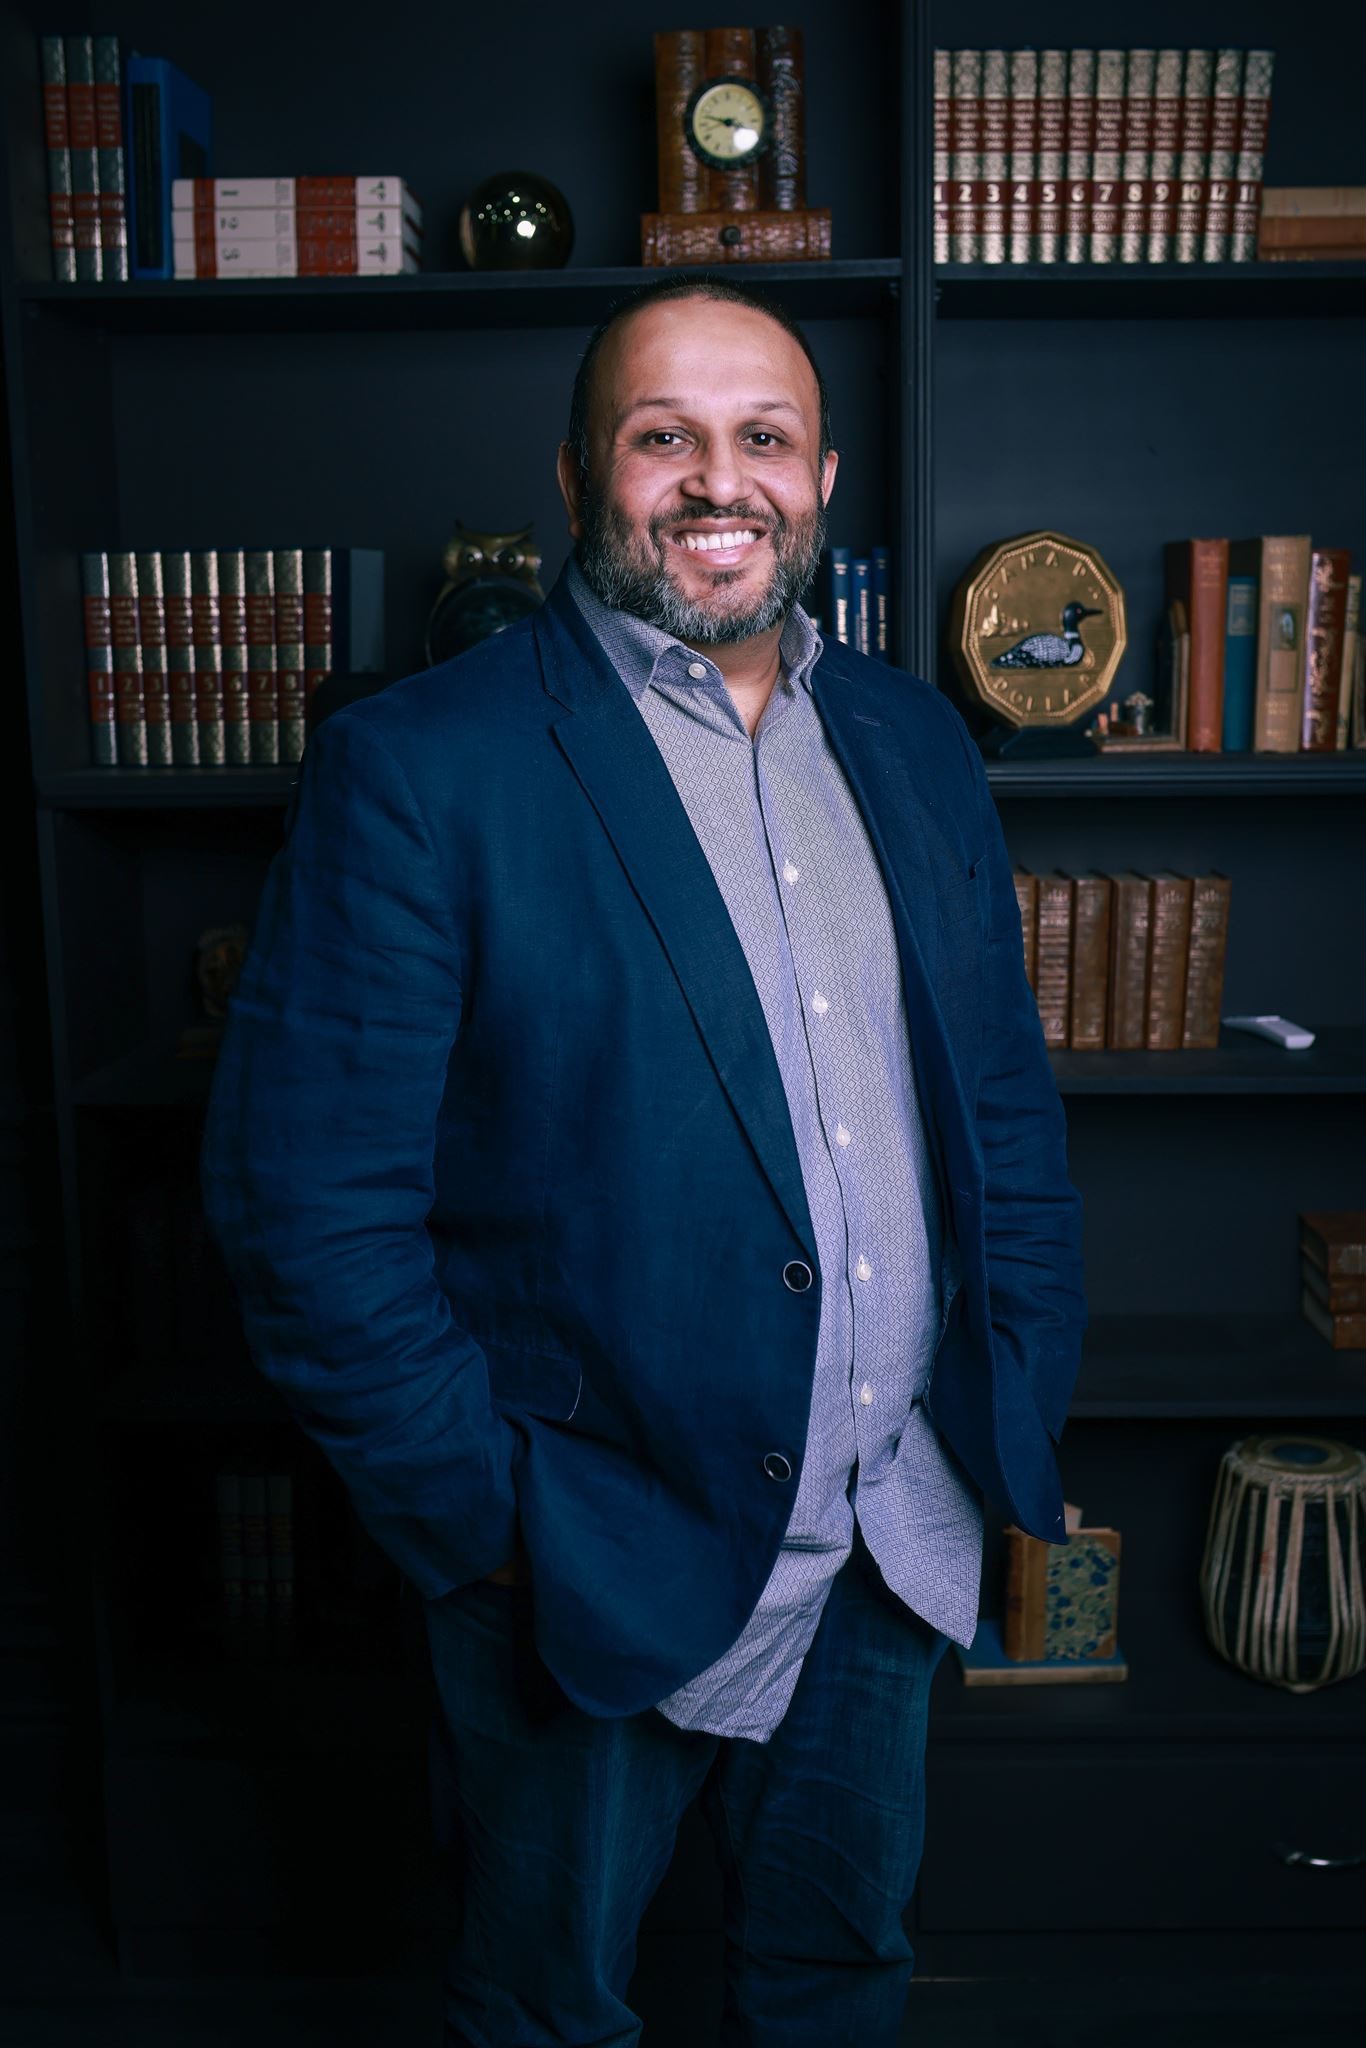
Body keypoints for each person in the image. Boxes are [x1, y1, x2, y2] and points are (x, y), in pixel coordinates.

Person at [200, 274, 1086, 2048]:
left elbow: (1000, 1115)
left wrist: (1007, 1404)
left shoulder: (914, 741)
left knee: (837, 1981)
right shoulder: (419, 766)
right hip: (590, 1550)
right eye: (660, 436)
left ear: (822, 477)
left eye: (761, 438)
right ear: (577, 474)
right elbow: (306, 1215)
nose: (716, 481)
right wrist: (491, 1527)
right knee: (547, 2012)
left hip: (886, 1536)